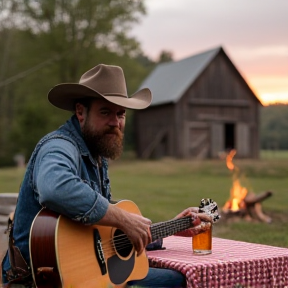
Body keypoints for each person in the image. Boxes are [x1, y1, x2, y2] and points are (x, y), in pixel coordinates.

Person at [1, 64, 211, 288]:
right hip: (37, 280)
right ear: (80, 112)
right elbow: (55, 188)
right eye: (105, 112)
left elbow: (104, 236)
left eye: (121, 114)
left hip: (82, 273)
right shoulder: (59, 146)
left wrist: (173, 227)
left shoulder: (96, 153)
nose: (115, 122)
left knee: (174, 275)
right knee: (177, 281)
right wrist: (123, 219)